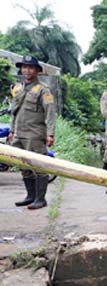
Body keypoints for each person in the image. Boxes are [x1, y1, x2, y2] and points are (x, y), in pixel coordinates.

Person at [8, 55, 55, 210]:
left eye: (30, 68)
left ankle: (40, 199)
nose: (27, 70)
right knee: (23, 165)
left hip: (35, 135)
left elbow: (50, 112)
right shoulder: (18, 89)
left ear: (37, 71)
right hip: (19, 134)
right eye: (24, 67)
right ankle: (30, 196)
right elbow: (14, 112)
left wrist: (50, 134)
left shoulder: (43, 90)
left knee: (39, 166)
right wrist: (12, 131)